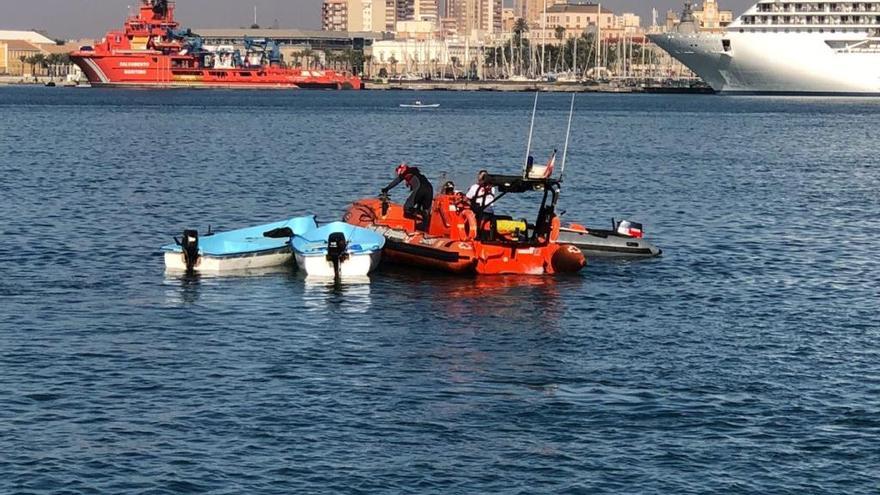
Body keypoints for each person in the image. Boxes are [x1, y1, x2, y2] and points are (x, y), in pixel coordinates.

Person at [382, 163, 433, 230]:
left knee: (407, 207)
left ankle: (420, 216)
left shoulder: (406, 172)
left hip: (420, 188)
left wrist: (386, 188)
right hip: (430, 189)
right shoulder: (416, 173)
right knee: (426, 210)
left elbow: (396, 181)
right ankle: (426, 227)